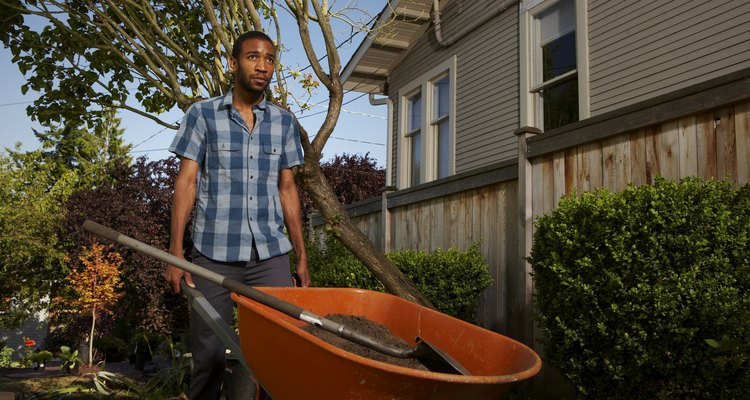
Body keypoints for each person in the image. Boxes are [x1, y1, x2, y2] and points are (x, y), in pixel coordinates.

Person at [164, 30, 310, 400]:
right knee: (210, 357)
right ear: (233, 63)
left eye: (270, 59)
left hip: (270, 257)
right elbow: (186, 183)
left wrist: (302, 255)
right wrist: (176, 254)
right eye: (253, 57)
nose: (263, 66)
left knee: (270, 354)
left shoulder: (284, 122)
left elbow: (288, 189)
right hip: (213, 258)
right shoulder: (202, 115)